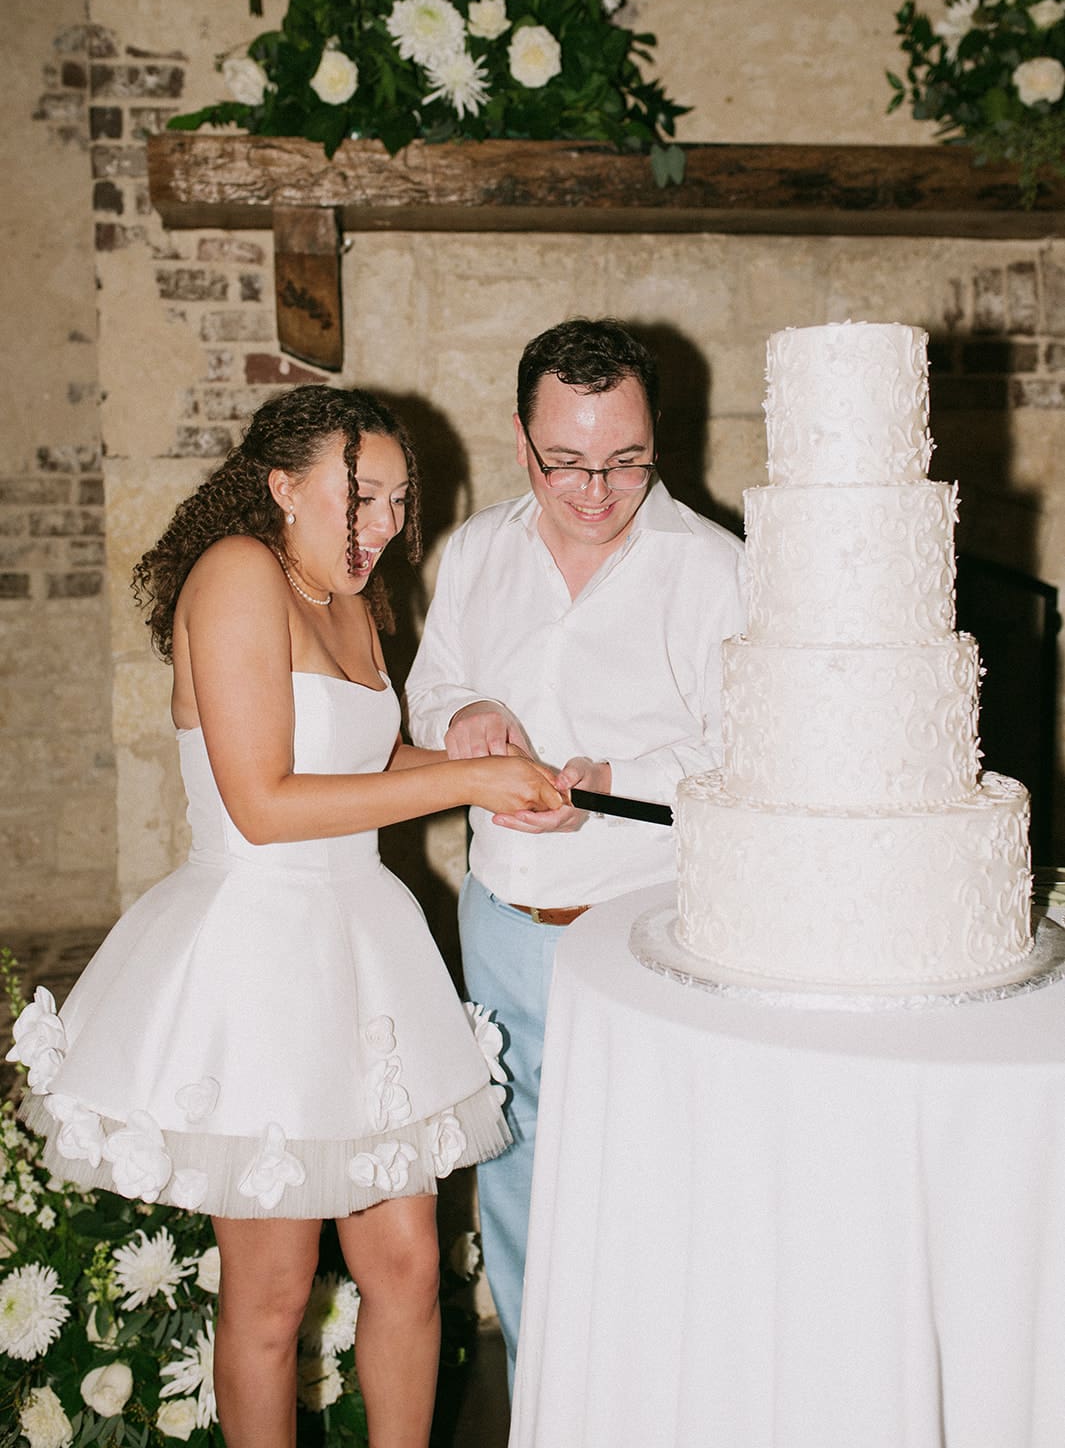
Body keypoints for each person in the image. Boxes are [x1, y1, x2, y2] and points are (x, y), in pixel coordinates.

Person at [7, 384, 562, 1448]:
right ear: (281, 485)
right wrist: (461, 789)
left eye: (402, 501)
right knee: (273, 1290)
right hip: (260, 950)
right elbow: (263, 802)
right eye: (364, 498)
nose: (388, 525)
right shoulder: (236, 575)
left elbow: (362, 762)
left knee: (405, 1264)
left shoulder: (353, 601)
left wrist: (483, 767)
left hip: (361, 944)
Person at [405, 317, 746, 1377]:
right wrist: (463, 718)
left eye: (625, 461)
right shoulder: (472, 552)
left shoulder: (717, 568)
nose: (596, 488)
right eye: (567, 462)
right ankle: (542, 1400)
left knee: (657, 1181)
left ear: (657, 440)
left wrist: (611, 789)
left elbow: (753, 755)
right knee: (513, 1171)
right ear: (521, 440)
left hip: (647, 927)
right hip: (501, 914)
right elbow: (433, 684)